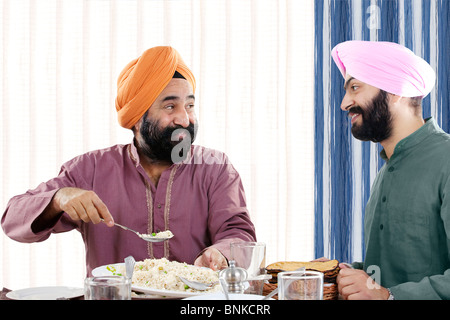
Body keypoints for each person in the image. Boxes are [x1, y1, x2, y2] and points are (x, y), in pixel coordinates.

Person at [1, 46, 256, 275]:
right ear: (136, 119)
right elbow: (12, 219)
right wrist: (59, 199)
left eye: (189, 106)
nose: (184, 120)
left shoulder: (215, 167)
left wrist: (221, 253)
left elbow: (238, 233)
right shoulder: (91, 170)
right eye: (170, 107)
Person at [331, 40, 450, 300]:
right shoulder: (388, 170)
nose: (344, 103)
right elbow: (395, 271)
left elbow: (387, 293)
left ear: (396, 91)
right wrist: (340, 274)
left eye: (355, 87)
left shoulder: (446, 160)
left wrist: (387, 296)